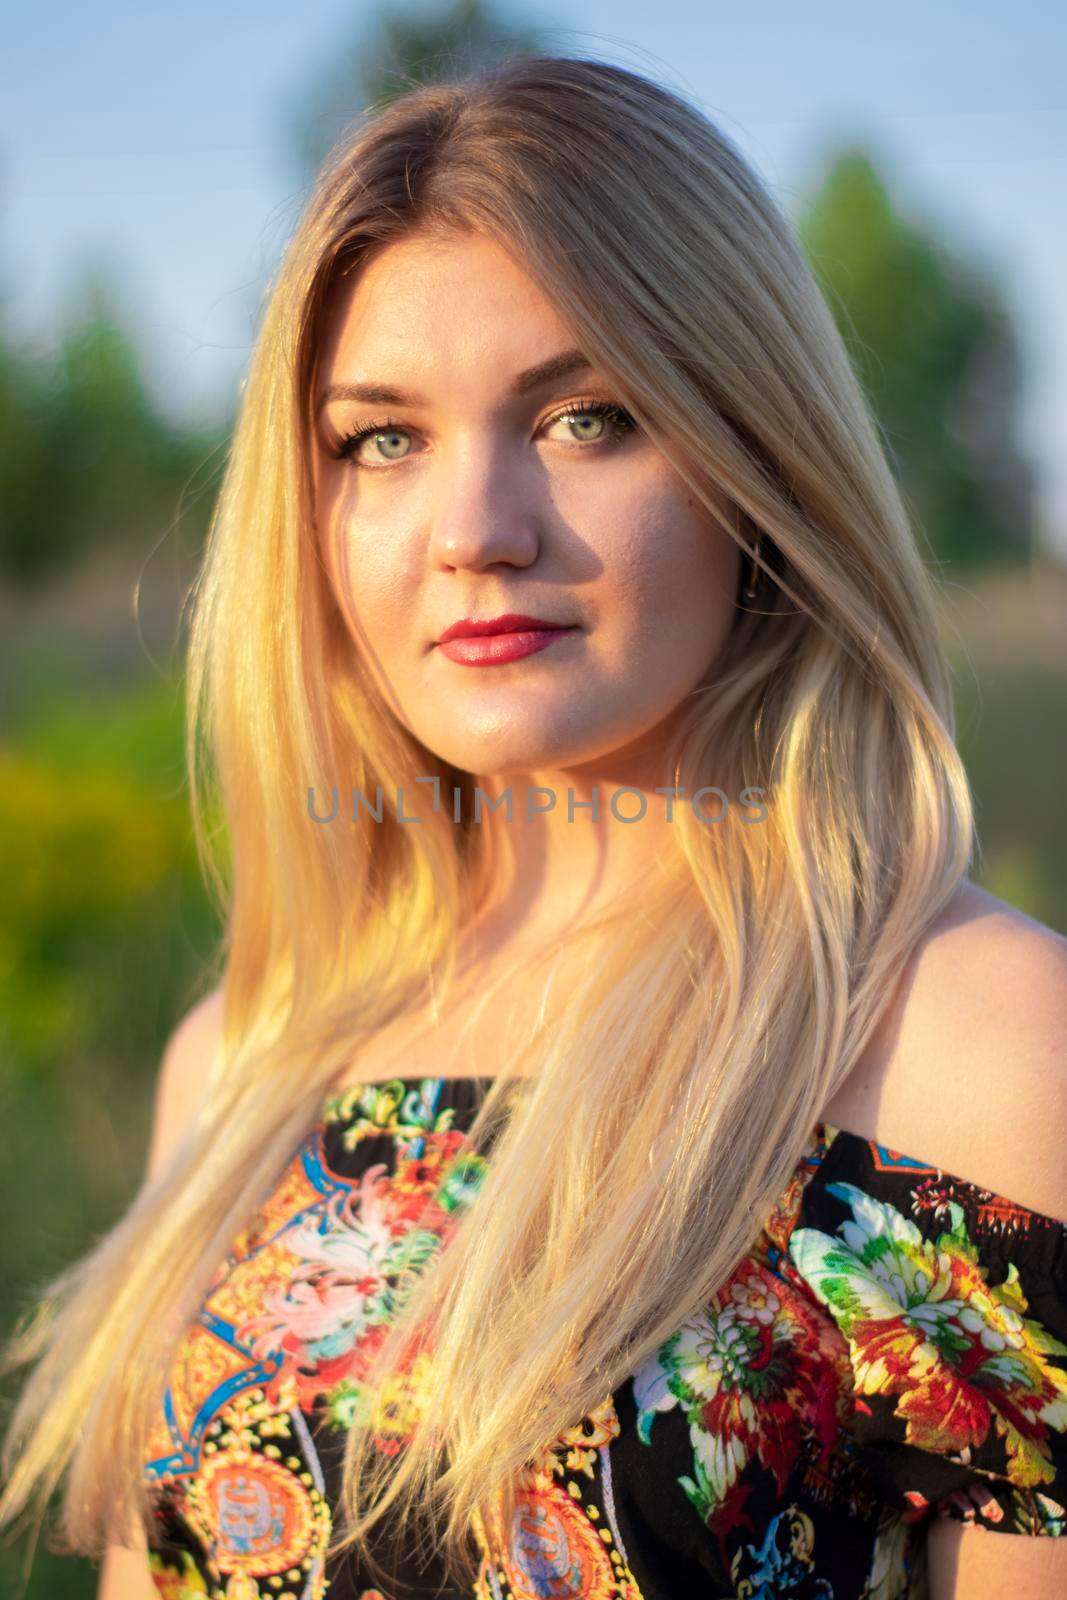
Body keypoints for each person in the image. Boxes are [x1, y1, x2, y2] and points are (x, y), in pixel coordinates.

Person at [2, 52, 1066, 1600]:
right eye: (382, 439)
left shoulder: (982, 1050)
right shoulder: (243, 1057)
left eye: (584, 417)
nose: (476, 532)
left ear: (752, 455)